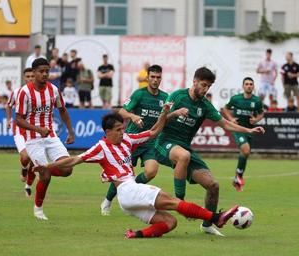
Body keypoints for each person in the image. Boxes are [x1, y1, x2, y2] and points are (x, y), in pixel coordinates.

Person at [34, 111, 239, 238]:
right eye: (118, 130)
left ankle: (136, 235)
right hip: (127, 189)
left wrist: (165, 114)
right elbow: (73, 160)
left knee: (170, 223)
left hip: (127, 199)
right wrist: (48, 167)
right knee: (174, 201)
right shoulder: (100, 147)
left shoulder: (128, 140)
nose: (122, 132)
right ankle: (216, 217)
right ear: (107, 132)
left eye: (123, 129)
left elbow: (152, 133)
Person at [154, 67, 265, 236]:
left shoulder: (205, 105)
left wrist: (249, 131)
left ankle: (207, 224)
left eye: (209, 87)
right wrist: (174, 113)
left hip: (184, 147)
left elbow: (226, 124)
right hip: (164, 143)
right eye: (203, 85)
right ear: (195, 81)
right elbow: (160, 119)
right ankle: (180, 203)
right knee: (184, 156)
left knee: (213, 185)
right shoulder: (177, 96)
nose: (205, 90)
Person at [100, 65, 186, 215]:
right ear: (147, 77)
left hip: (150, 141)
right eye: (152, 77)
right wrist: (133, 116)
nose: (155, 80)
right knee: (122, 175)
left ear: (161, 78)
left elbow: (164, 118)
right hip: (131, 141)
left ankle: (131, 188)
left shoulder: (165, 97)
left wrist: (176, 113)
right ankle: (107, 201)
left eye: (158, 77)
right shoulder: (139, 94)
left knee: (151, 171)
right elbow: (121, 111)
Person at [15, 58, 75, 220]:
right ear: (33, 73)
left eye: (47, 71)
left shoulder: (54, 90)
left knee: (68, 169)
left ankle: (41, 168)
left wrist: (70, 131)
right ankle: (38, 209)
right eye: (41, 71)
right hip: (33, 139)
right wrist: (38, 129)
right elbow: (18, 119)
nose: (44, 74)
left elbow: (62, 110)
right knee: (46, 177)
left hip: (51, 136)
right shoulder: (24, 92)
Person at [222, 77, 265, 192]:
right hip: (237, 129)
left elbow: (261, 113)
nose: (249, 86)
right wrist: (230, 119)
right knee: (245, 150)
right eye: (246, 84)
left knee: (245, 153)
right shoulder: (236, 99)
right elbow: (225, 108)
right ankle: (239, 177)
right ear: (243, 86)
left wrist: (256, 120)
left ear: (253, 86)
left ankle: (237, 177)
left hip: (250, 131)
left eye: (251, 84)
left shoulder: (256, 101)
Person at [6, 68, 36, 197]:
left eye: (32, 76)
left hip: (35, 129)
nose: (30, 78)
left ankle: (28, 186)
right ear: (24, 78)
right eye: (28, 76)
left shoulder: (41, 92)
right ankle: (24, 168)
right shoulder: (17, 92)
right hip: (20, 128)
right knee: (25, 156)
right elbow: (8, 105)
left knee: (35, 160)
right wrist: (8, 119)